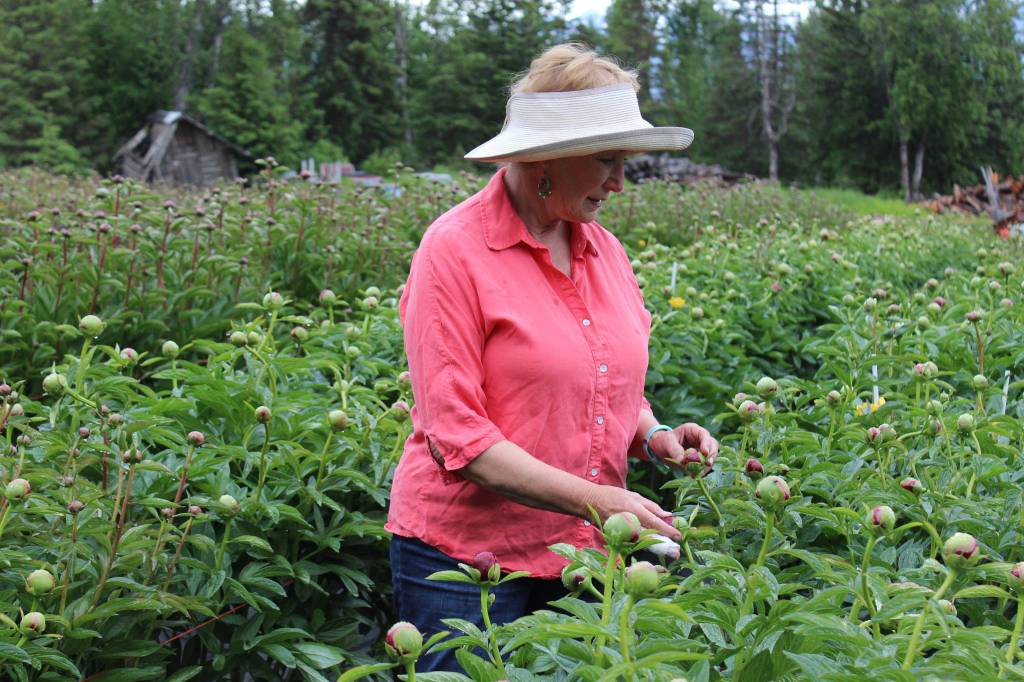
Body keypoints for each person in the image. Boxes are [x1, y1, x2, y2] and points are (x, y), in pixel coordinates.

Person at [386, 43, 719, 672]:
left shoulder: (605, 250)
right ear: (546, 159)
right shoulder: (454, 251)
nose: (620, 182)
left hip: (584, 550)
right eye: (606, 160)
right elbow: (457, 435)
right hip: (466, 557)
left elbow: (602, 375)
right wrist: (599, 500)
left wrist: (655, 435)